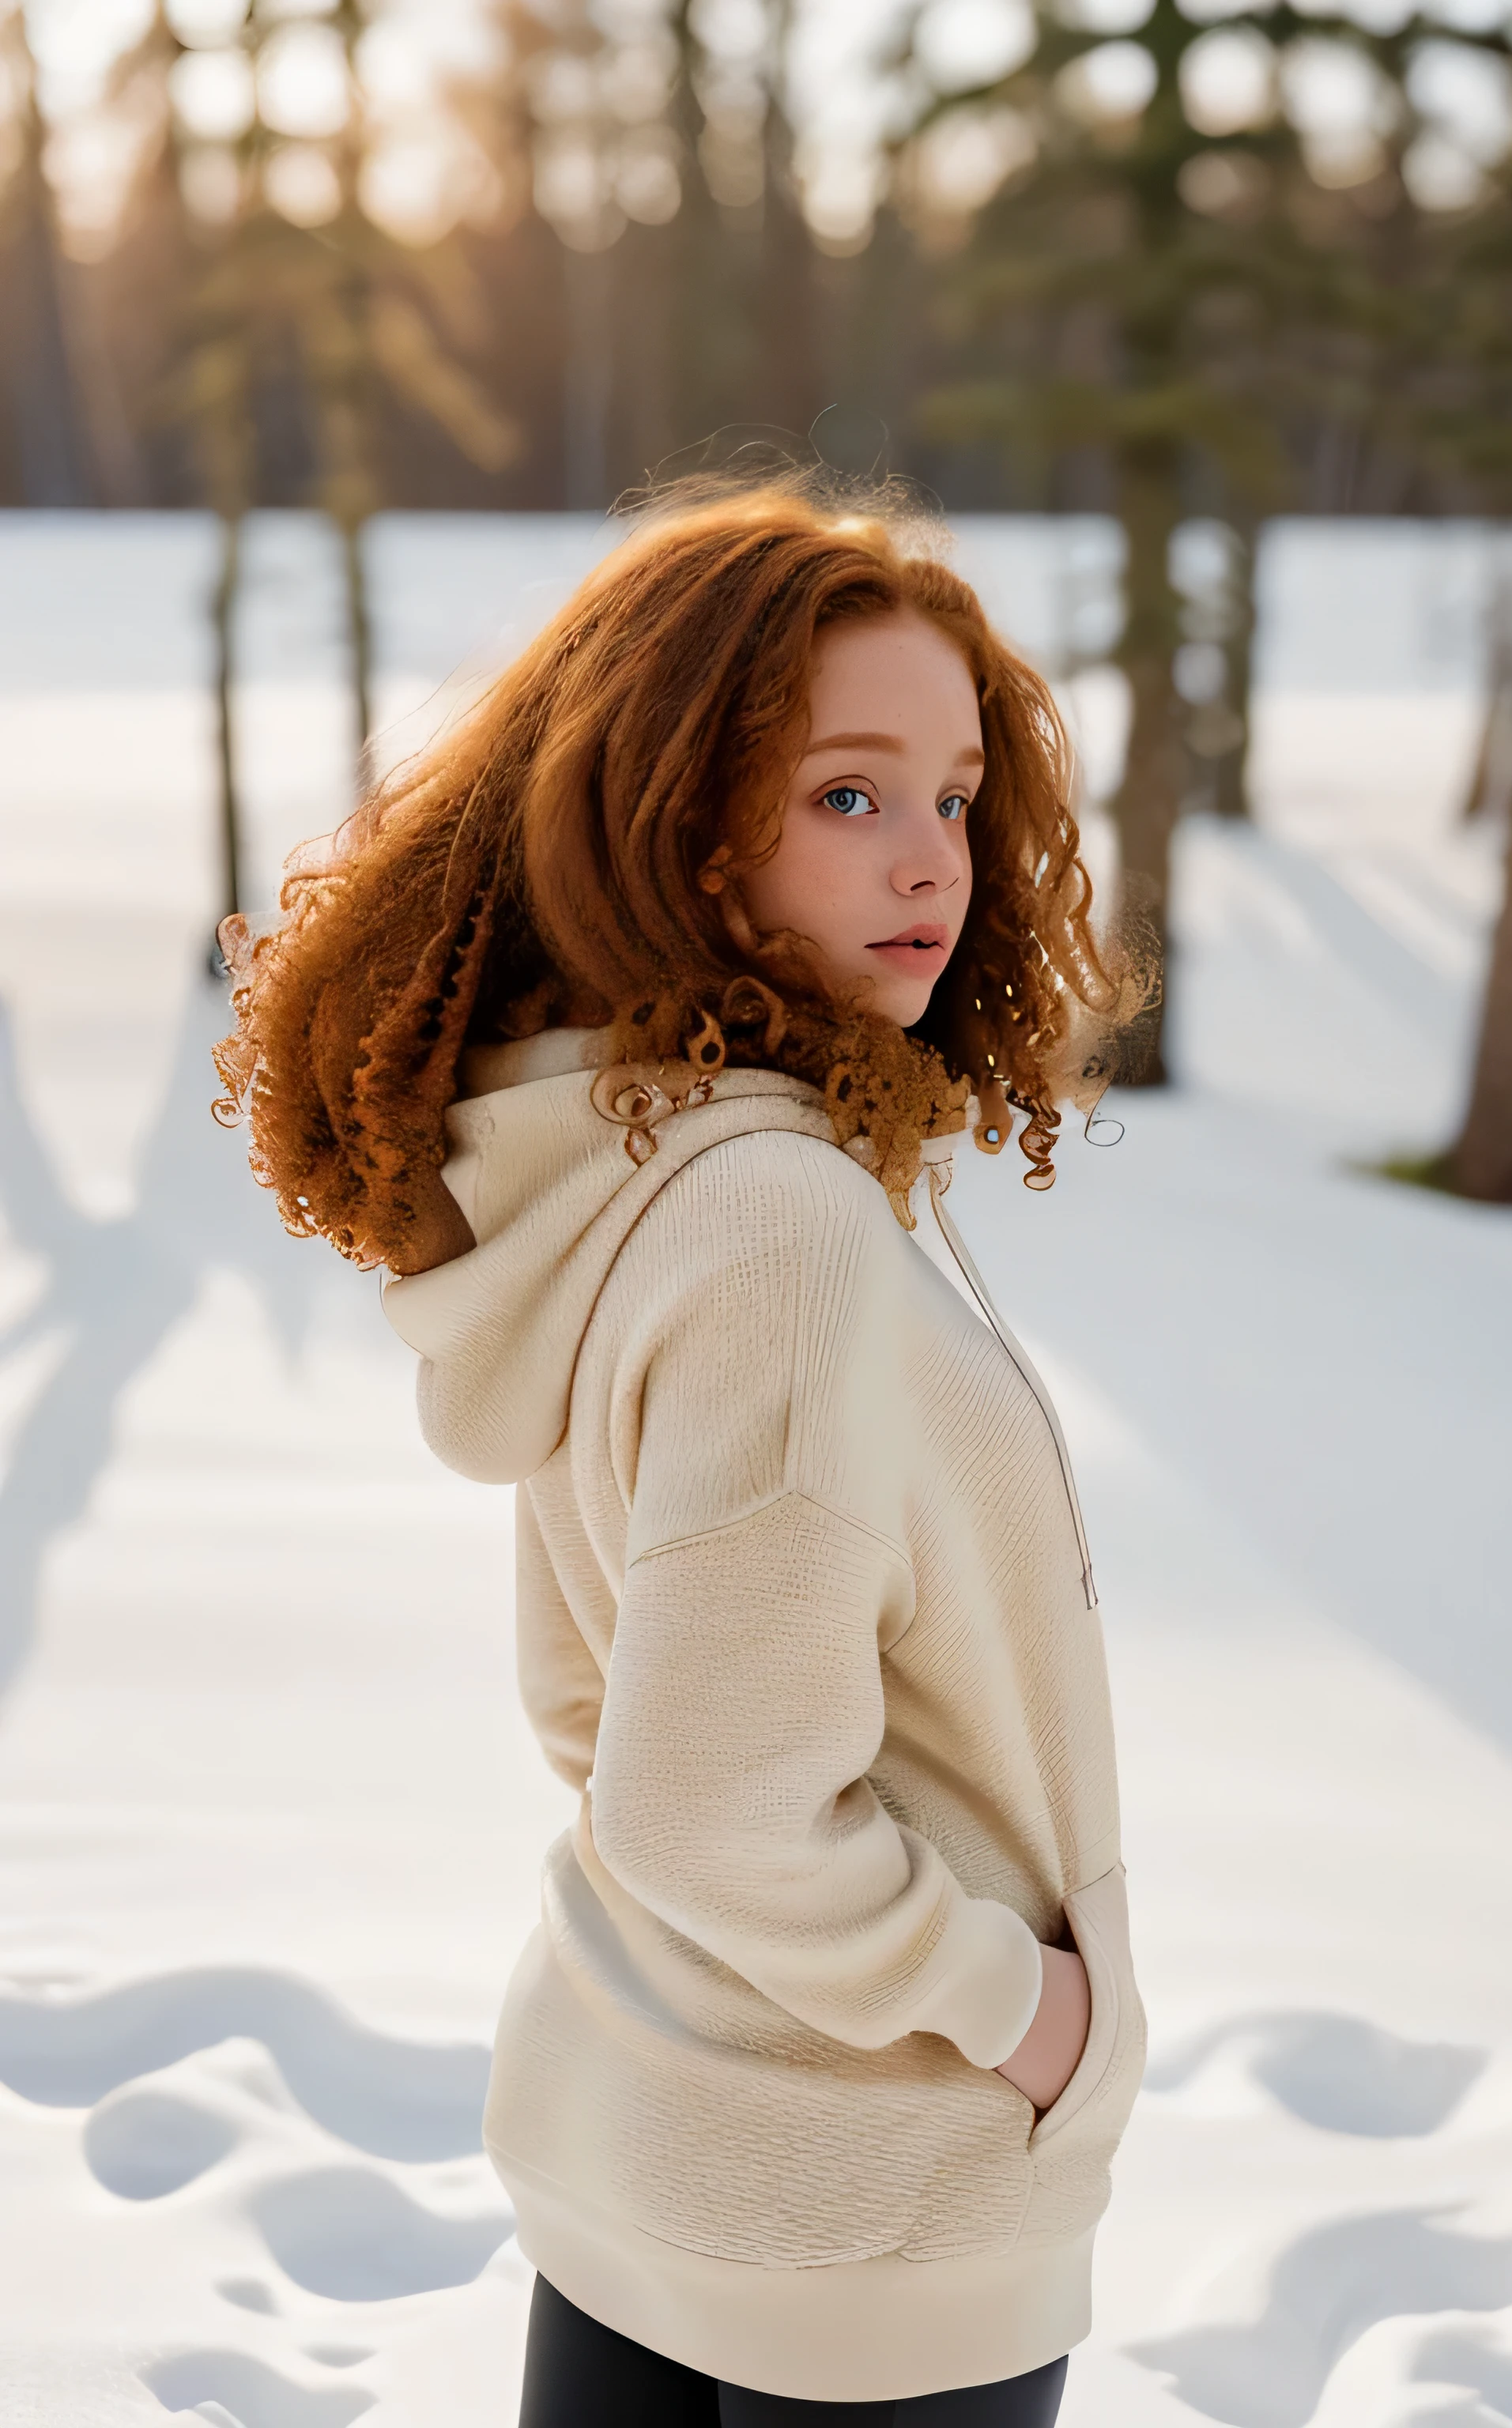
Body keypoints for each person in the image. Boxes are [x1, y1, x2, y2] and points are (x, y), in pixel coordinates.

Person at [213, 479, 1148, 2425]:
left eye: (957, 796)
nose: (933, 862)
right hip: (866, 2207)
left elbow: (597, 1700)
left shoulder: (620, 1174)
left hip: (648, 2136)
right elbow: (706, 1805)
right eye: (847, 794)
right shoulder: (775, 1230)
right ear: (685, 834)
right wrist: (1024, 2013)